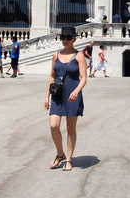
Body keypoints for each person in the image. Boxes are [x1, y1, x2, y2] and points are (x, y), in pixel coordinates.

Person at [44, 26, 88, 171]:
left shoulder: (79, 56)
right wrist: (46, 96)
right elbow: (52, 76)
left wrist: (76, 91)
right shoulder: (56, 55)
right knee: (53, 125)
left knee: (70, 128)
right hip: (57, 95)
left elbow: (83, 78)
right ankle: (60, 154)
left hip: (72, 95)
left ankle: (68, 159)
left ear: (74, 39)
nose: (65, 40)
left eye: (68, 38)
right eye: (63, 37)